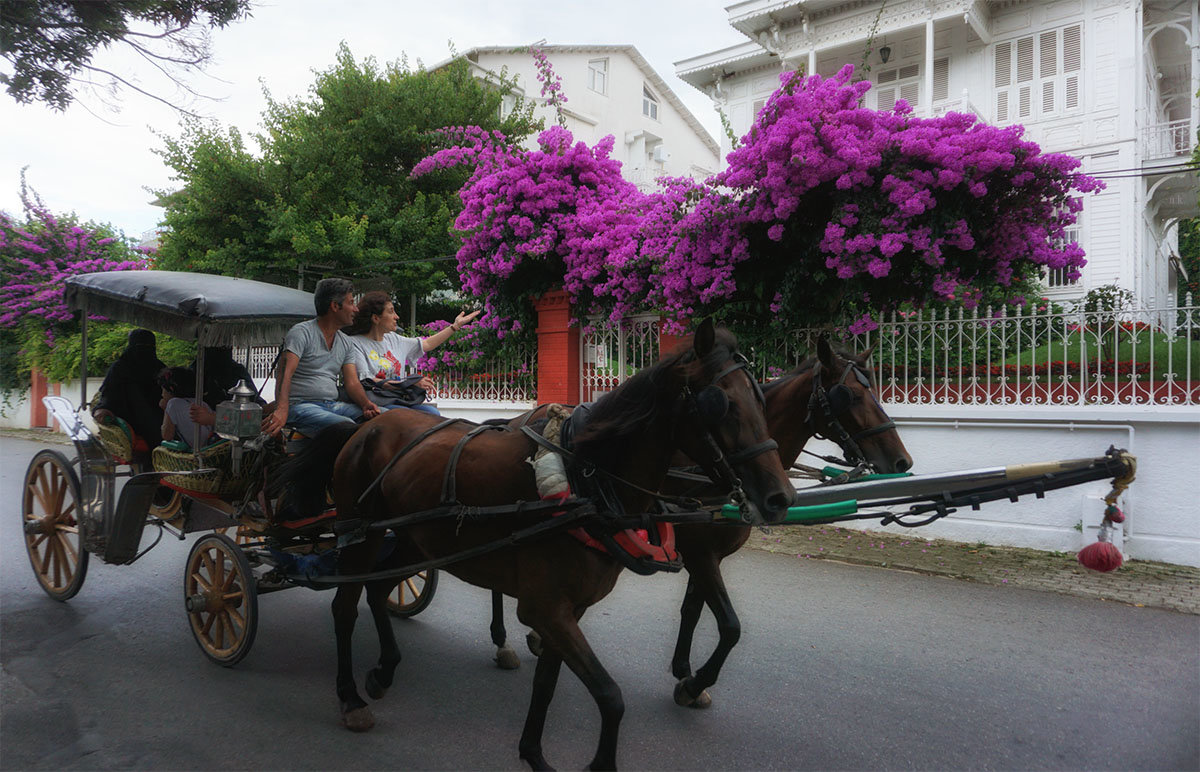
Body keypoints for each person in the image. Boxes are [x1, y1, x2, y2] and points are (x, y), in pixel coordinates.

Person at [266, 278, 380, 437]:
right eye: (351, 302)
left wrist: (365, 404)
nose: (356, 309)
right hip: (300, 406)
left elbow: (352, 382)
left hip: (332, 406)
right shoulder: (301, 333)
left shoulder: (345, 342)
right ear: (335, 306)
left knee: (384, 420)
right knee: (346, 428)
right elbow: (285, 373)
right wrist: (282, 410)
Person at [342, 291, 480, 416]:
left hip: (399, 399)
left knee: (433, 414)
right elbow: (366, 381)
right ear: (376, 318)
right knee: (410, 418)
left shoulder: (393, 339)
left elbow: (427, 344)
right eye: (391, 312)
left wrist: (454, 327)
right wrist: (408, 383)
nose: (396, 316)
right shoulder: (355, 344)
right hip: (377, 402)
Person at [92, 328, 167, 448]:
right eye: (140, 346)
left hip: (159, 420)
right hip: (129, 420)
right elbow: (109, 393)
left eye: (148, 346)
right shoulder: (120, 368)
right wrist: (103, 408)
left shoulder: (159, 368)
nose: (144, 350)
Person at [186, 346, 265, 429]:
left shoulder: (236, 371)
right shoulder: (198, 369)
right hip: (206, 422)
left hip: (229, 426)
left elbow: (255, 405)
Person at [158, 366, 213, 449]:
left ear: (171, 389)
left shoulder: (173, 404)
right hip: (211, 448)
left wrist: (166, 410)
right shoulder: (200, 403)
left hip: (197, 453)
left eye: (163, 390)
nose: (162, 394)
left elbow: (167, 435)